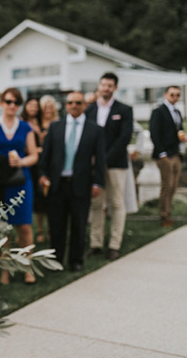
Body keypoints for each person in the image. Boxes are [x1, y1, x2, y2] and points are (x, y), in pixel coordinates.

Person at [39, 92, 105, 271]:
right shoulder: (55, 127)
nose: (74, 105)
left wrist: (98, 183)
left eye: (78, 102)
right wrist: (42, 174)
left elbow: (100, 159)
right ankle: (56, 260)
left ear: (84, 105)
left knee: (79, 225)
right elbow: (46, 155)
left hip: (81, 184)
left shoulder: (95, 129)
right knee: (56, 225)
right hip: (57, 184)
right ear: (66, 106)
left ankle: (76, 260)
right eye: (70, 102)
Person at [0, 88, 39, 284]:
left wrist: (21, 161)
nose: (12, 105)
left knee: (24, 225)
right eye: (8, 101)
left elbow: (34, 155)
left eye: (16, 102)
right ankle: (5, 268)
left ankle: (27, 267)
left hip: (21, 180)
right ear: (1, 104)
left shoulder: (25, 127)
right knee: (4, 227)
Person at [85, 72, 133, 260]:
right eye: (103, 85)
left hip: (115, 164)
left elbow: (124, 137)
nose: (106, 88)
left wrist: (104, 158)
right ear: (99, 86)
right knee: (96, 203)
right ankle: (96, 243)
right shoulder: (89, 110)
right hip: (93, 165)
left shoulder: (124, 110)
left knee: (117, 203)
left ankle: (114, 245)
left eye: (109, 85)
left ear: (115, 88)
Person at [149, 86, 185, 227]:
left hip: (176, 153)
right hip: (164, 155)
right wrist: (162, 153)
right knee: (167, 185)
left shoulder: (177, 112)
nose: (175, 97)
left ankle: (169, 213)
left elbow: (179, 130)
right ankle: (164, 216)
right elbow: (154, 133)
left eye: (177, 95)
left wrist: (182, 137)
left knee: (173, 186)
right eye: (172, 94)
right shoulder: (158, 111)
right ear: (165, 95)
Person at [21, 96, 47, 243]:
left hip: (40, 164)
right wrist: (37, 149)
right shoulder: (21, 122)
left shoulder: (41, 122)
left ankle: (41, 230)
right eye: (30, 105)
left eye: (36, 106)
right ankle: (27, 229)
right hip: (27, 162)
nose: (33, 108)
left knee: (40, 197)